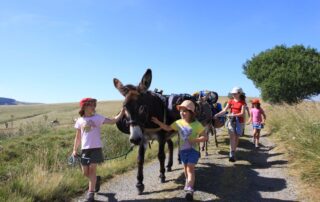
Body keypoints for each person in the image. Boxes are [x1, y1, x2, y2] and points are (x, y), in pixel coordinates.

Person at [151, 100, 207, 200]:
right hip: (182, 151)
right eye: (181, 111)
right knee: (185, 169)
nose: (182, 113)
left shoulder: (197, 124)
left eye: (184, 111)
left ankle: (190, 189)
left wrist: (195, 140)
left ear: (191, 113)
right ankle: (188, 182)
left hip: (193, 150)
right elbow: (168, 128)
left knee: (190, 169)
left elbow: (205, 137)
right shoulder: (178, 123)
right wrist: (158, 122)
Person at [72, 98, 124, 202]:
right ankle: (96, 179)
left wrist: (122, 111)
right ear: (84, 107)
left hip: (96, 148)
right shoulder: (79, 121)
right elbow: (78, 137)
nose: (94, 107)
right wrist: (74, 150)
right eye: (91, 105)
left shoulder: (98, 117)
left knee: (92, 170)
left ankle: (90, 194)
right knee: (85, 173)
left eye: (94, 105)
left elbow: (113, 120)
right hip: (85, 150)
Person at [214, 87, 247, 162]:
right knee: (232, 136)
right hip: (231, 121)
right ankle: (231, 153)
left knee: (236, 137)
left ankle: (233, 151)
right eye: (233, 93)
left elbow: (242, 114)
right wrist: (217, 114)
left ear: (239, 93)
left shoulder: (243, 103)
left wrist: (233, 115)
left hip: (239, 122)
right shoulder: (231, 101)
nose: (233, 95)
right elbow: (224, 110)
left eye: (235, 93)